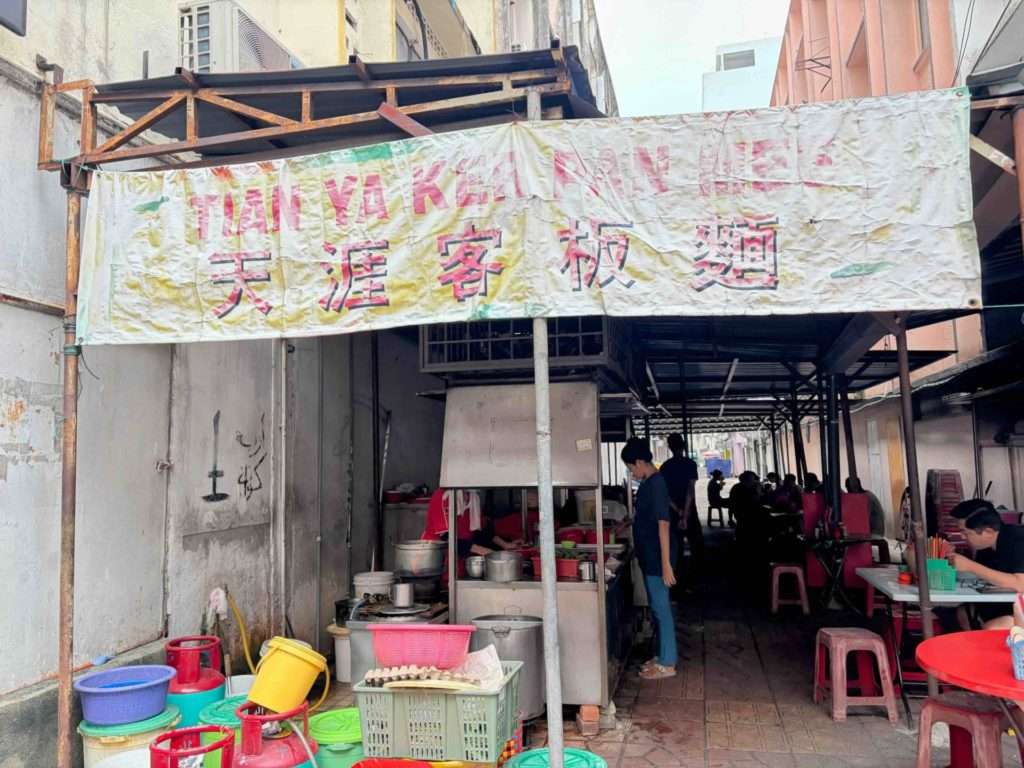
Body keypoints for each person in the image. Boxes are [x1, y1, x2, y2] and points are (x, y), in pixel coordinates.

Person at [621, 438, 677, 680]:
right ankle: (662, 655)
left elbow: (663, 524)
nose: (631, 473)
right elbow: (644, 516)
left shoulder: (657, 484)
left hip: (657, 556)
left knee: (661, 608)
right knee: (656, 607)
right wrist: (626, 524)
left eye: (631, 468)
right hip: (650, 554)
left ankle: (668, 663)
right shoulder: (649, 483)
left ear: (640, 462)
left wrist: (666, 564)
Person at [945, 508, 1024, 629]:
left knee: (993, 627)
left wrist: (970, 566)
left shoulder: (1019, 540)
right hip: (1009, 603)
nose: (963, 537)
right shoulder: (987, 547)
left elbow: (1020, 584)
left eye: (966, 533)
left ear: (988, 531)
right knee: (964, 613)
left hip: (1018, 606)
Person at [660, 433, 703, 581]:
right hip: (690, 511)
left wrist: (677, 510)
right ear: (683, 446)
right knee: (696, 545)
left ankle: (676, 578)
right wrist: (685, 513)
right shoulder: (690, 464)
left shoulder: (665, 467)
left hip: (673, 512)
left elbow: (665, 494)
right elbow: (690, 489)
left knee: (675, 546)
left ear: (669, 447)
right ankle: (695, 577)